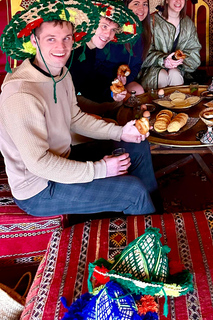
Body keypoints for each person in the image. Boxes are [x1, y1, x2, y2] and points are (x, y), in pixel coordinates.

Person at [0, 0, 161, 217]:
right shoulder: (21, 93)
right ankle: (142, 219)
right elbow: (39, 164)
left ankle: (155, 215)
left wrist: (121, 132)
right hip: (39, 188)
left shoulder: (62, 73)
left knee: (135, 146)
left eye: (67, 38)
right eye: (51, 39)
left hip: (64, 157)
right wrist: (100, 170)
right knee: (133, 191)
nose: (61, 47)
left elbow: (74, 117)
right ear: (34, 41)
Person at [69, 0, 142, 116]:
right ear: (91, 22)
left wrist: (113, 93)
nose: (108, 34)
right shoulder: (72, 48)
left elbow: (89, 84)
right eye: (104, 26)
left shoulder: (90, 49)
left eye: (113, 30)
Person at [95, 0, 152, 97]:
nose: (141, 9)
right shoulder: (110, 33)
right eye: (136, 3)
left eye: (145, 4)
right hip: (101, 83)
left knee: (138, 90)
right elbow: (96, 65)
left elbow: (138, 64)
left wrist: (126, 79)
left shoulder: (143, 33)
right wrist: (115, 81)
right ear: (126, 7)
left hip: (126, 82)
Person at [140, 0, 201, 90]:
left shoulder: (188, 23)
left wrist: (178, 61)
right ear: (167, 0)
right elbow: (143, 53)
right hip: (152, 71)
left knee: (174, 74)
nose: (178, 1)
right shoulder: (151, 21)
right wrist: (163, 60)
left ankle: (178, 102)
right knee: (162, 75)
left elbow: (194, 54)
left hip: (180, 70)